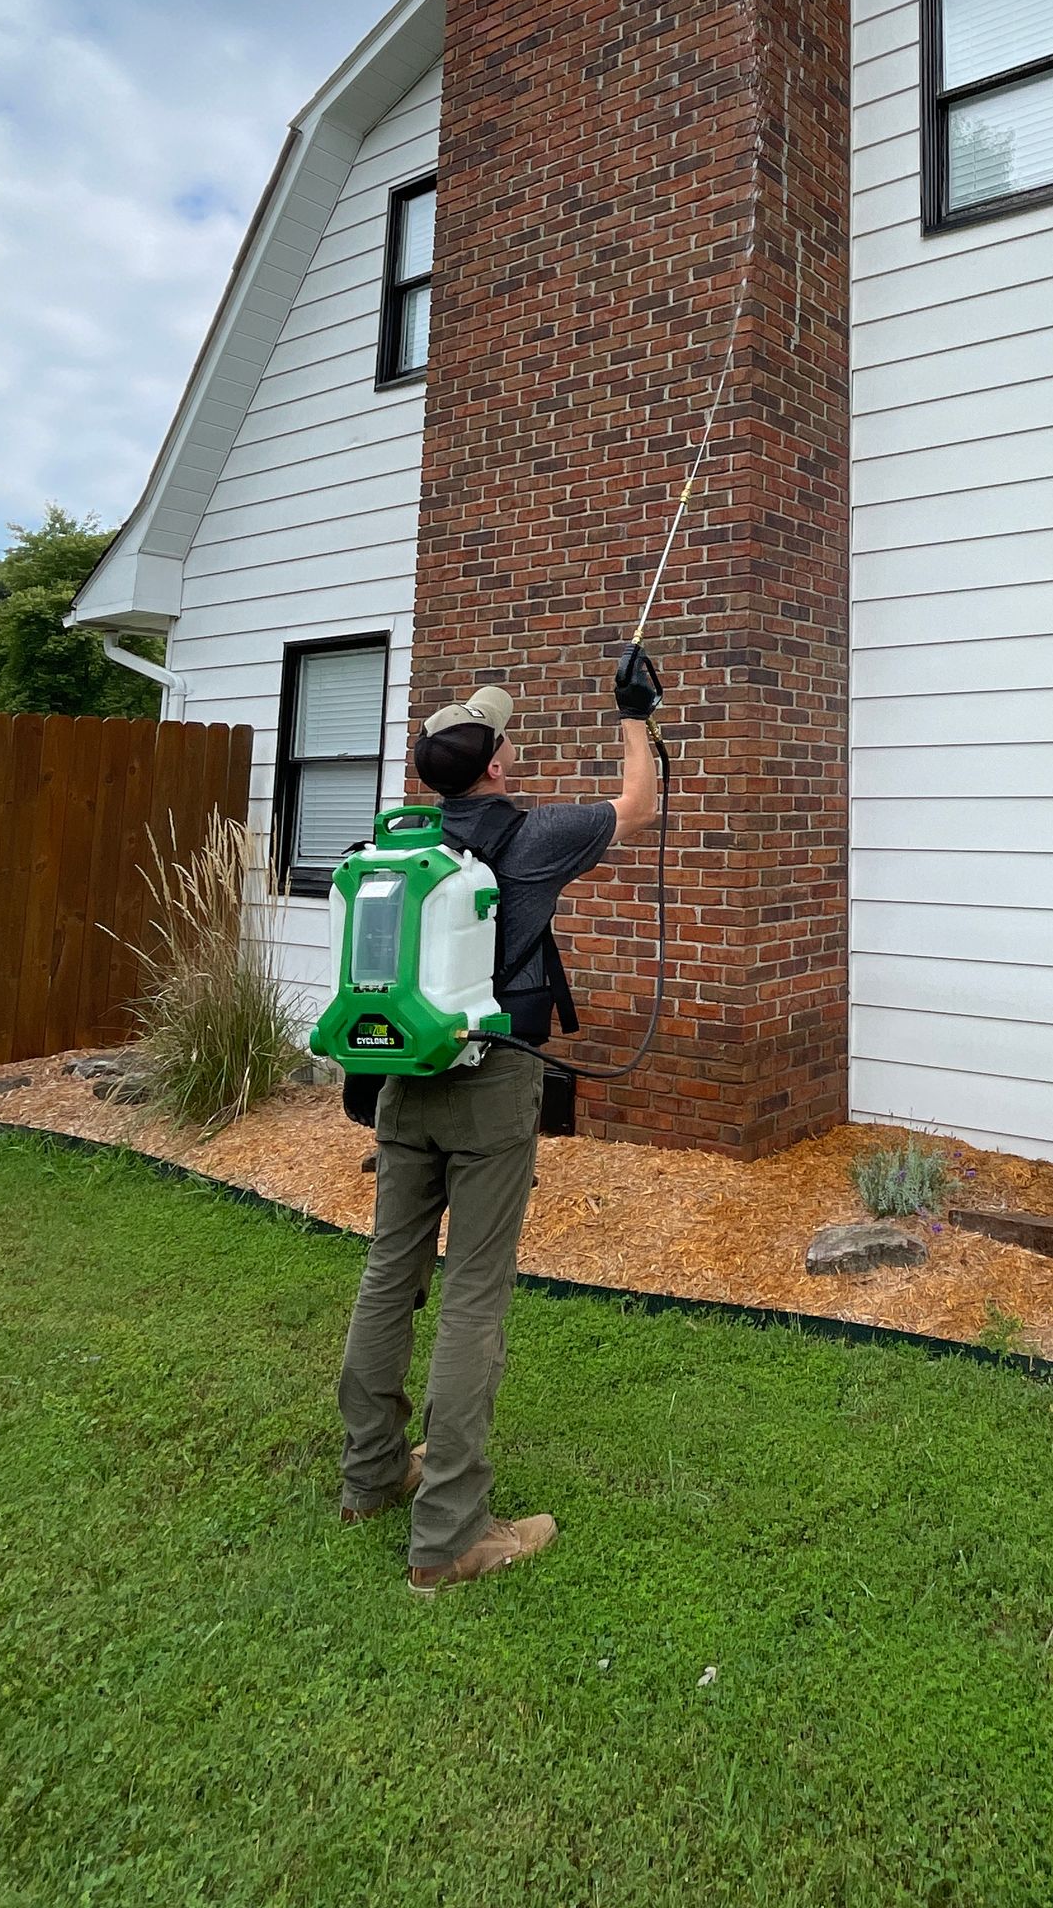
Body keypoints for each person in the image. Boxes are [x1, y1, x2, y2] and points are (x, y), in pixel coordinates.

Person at [336, 664, 662, 1593]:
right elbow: (639, 808)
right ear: (495, 764)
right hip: (492, 1081)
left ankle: (370, 1476)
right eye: (502, 738)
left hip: (400, 1076)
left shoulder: (399, 843)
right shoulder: (531, 834)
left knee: (388, 1271)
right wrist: (635, 717)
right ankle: (450, 1534)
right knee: (474, 1291)